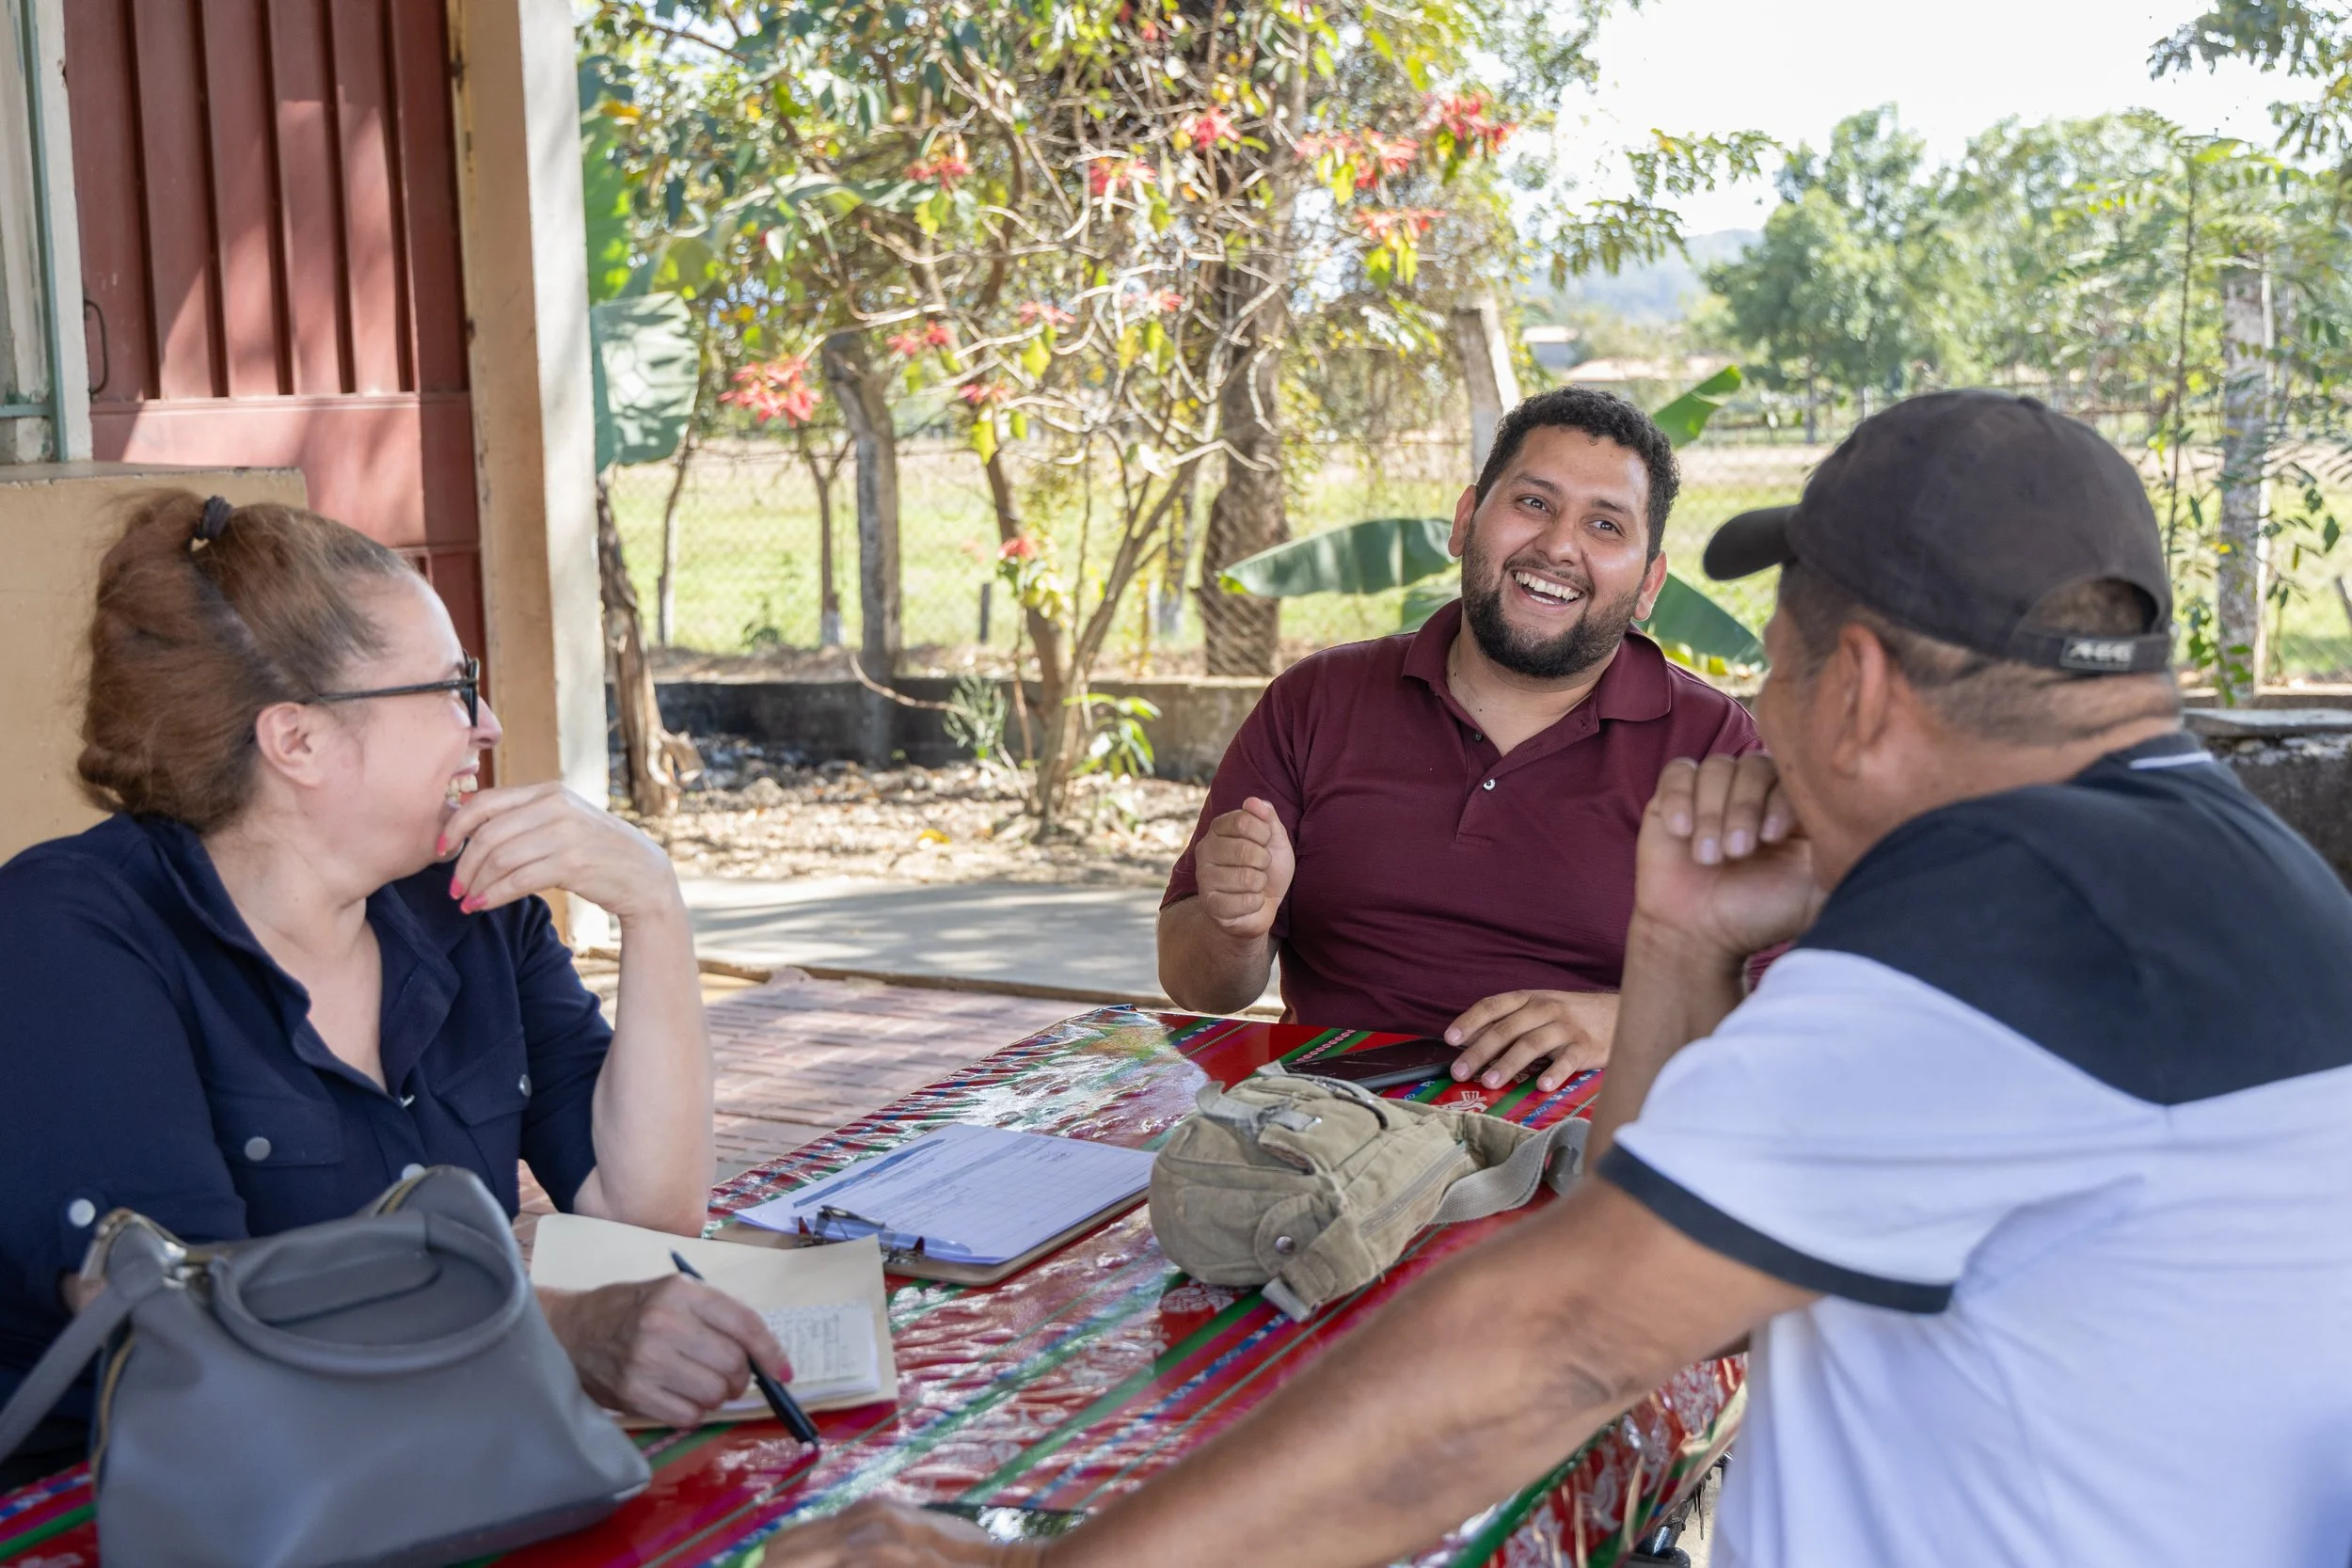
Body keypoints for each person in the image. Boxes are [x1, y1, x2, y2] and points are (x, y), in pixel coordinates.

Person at [759, 390, 2352, 1566]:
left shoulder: (2001, 936)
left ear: (1853, 685)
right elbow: (1638, 1229)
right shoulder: (2214, 870)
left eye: (1781, 663)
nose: (1764, 716)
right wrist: (1677, 936)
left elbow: (1559, 1342)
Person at [0, 493, 790, 1487]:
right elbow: (173, 1308)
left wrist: (654, 907)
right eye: (455, 685)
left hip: (421, 1463)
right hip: (128, 1504)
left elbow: (645, 1209)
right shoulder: (71, 930)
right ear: (297, 740)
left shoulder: (469, 904)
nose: (487, 722)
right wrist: (554, 1333)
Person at [1159, 388, 1758, 1094]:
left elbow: (1799, 1006)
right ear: (1467, 519)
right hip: (1328, 1135)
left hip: (1584, 1155)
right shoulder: (1317, 699)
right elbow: (1196, 985)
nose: (1559, 546)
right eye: (1533, 503)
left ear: (1650, 582)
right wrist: (1235, 928)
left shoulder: (1714, 743)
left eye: (1605, 524)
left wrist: (1631, 1020)